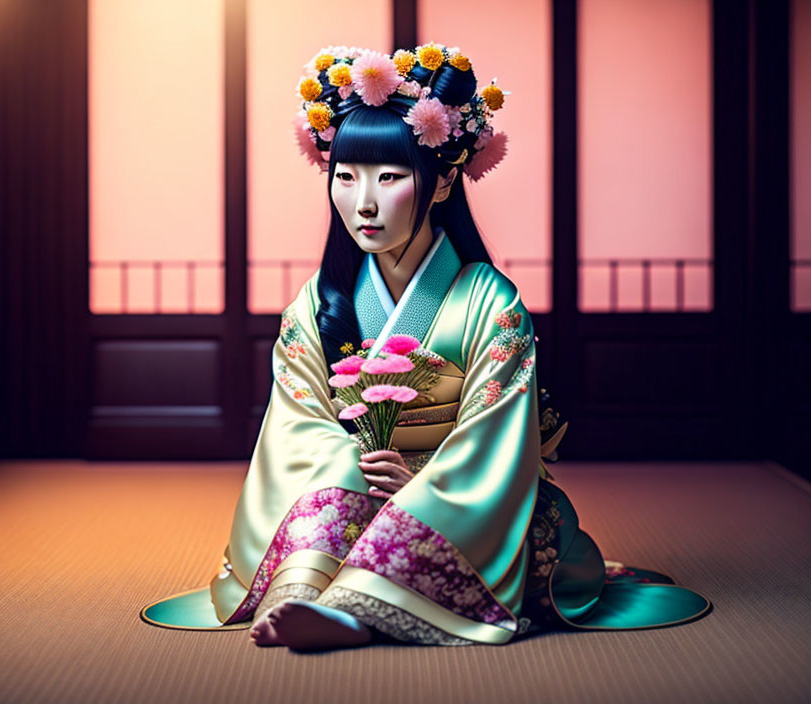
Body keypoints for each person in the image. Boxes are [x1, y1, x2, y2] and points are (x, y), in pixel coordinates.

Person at [140, 43, 711, 649]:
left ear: (440, 185)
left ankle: (355, 609)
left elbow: (497, 440)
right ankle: (305, 595)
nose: (363, 202)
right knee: (333, 467)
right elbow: (296, 427)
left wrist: (417, 476)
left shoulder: (490, 302)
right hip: (356, 485)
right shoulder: (318, 302)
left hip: (459, 499)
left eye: (389, 178)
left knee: (489, 524)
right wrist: (359, 473)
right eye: (346, 176)